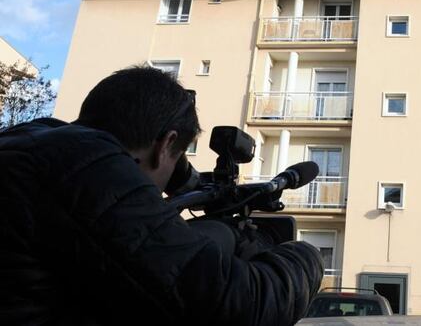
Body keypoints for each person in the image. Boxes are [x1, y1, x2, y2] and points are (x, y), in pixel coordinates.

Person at [0, 66, 323, 325]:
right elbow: (237, 306)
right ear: (167, 144)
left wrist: (188, 183)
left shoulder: (35, 139)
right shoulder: (86, 166)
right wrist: (307, 256)